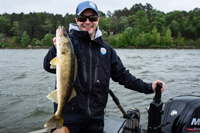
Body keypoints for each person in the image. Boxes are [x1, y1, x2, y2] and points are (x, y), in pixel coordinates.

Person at [43, 1, 165, 133]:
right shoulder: (69, 44)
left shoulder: (107, 50)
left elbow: (123, 76)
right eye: (83, 18)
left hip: (96, 118)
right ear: (77, 20)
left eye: (92, 18)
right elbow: (48, 66)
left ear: (98, 20)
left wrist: (148, 87)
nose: (88, 22)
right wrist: (55, 49)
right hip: (69, 117)